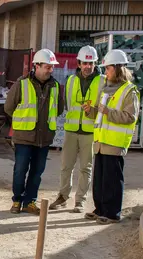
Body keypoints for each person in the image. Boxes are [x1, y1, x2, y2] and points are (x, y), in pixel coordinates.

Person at [4, 48, 65, 215]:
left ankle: (29, 202)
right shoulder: (21, 84)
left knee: (37, 173)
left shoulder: (56, 87)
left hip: (44, 138)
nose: (50, 70)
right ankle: (17, 200)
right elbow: (9, 108)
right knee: (20, 170)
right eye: (47, 66)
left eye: (52, 67)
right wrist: (24, 120)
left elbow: (58, 109)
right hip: (24, 136)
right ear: (36, 66)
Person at [83, 49, 139, 224]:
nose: (105, 72)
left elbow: (130, 117)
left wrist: (108, 112)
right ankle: (100, 209)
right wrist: (90, 111)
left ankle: (112, 213)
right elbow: (101, 115)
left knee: (112, 180)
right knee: (99, 181)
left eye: (107, 68)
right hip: (100, 142)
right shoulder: (106, 88)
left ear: (117, 68)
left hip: (114, 143)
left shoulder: (130, 91)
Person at [49, 45, 104, 213]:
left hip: (90, 131)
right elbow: (67, 104)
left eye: (91, 63)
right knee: (66, 166)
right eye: (85, 63)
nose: (88, 66)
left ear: (95, 63)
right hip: (72, 130)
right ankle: (63, 197)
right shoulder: (71, 80)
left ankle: (80, 201)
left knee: (85, 168)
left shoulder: (102, 81)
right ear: (79, 63)